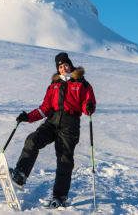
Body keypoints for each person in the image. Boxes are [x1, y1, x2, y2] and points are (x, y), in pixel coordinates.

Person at [10, 52, 96, 208]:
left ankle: (59, 196)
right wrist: (28, 117)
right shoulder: (53, 86)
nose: (63, 69)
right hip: (52, 122)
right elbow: (44, 109)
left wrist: (89, 107)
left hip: (70, 125)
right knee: (33, 139)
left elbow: (87, 103)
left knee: (64, 159)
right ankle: (21, 174)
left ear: (71, 65)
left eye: (66, 65)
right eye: (60, 67)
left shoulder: (81, 84)